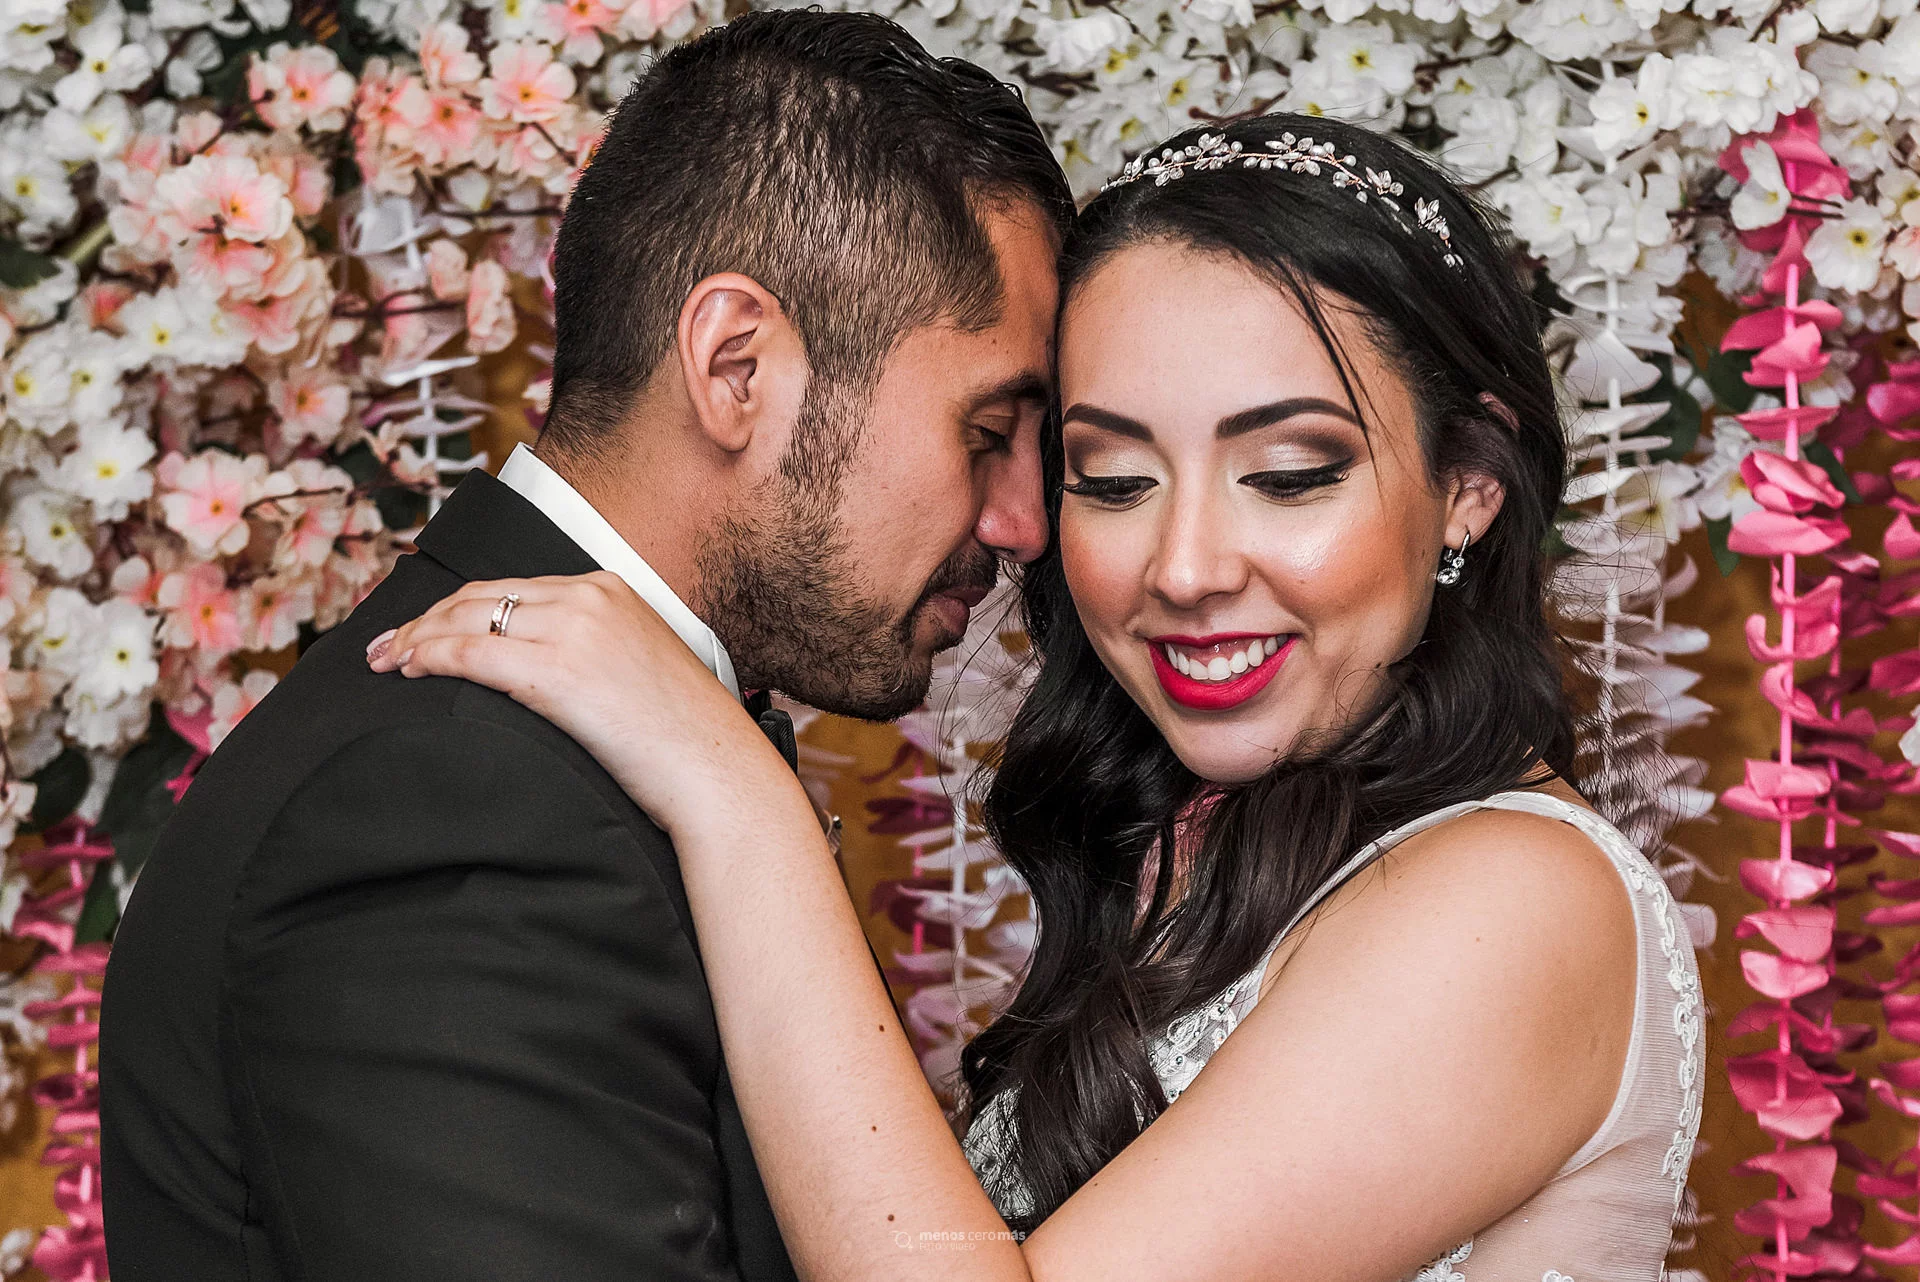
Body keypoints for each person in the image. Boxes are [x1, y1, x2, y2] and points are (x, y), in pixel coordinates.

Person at [372, 112, 1705, 1282]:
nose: (1183, 569)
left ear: (1468, 480)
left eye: (1291, 473)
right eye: (1113, 480)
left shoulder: (1515, 901)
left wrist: (731, 789)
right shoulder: (1222, 850)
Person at [98, 11, 1072, 1282]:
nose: (1023, 524)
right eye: (989, 427)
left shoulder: (562, 754)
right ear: (736, 366)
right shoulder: (454, 800)